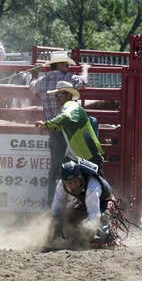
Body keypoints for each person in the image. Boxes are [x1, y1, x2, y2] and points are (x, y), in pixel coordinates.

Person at [30, 51, 90, 205]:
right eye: (67, 65)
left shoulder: (42, 81)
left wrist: (35, 73)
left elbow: (32, 87)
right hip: (71, 133)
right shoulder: (67, 79)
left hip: (55, 132)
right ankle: (78, 202)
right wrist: (85, 68)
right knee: (77, 166)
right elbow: (83, 82)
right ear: (60, 65)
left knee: (55, 169)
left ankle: (52, 205)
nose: (69, 68)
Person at [35, 80, 105, 175]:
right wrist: (52, 127)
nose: (56, 98)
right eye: (56, 95)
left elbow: (66, 116)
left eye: (59, 94)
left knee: (93, 180)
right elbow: (66, 125)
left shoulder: (71, 105)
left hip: (87, 151)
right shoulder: (71, 107)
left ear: (69, 95)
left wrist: (46, 124)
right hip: (81, 152)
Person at [49, 159, 113, 246]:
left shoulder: (92, 185)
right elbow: (58, 206)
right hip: (83, 202)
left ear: (80, 176)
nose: (73, 186)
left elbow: (94, 213)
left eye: (75, 181)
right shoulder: (61, 185)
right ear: (64, 181)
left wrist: (90, 231)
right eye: (69, 183)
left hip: (104, 202)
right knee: (68, 217)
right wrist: (57, 226)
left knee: (102, 230)